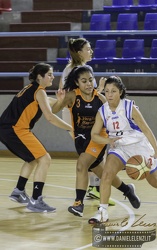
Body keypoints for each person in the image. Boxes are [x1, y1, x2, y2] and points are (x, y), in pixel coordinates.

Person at [88, 76, 157, 224]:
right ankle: (103, 211)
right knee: (106, 174)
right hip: (119, 147)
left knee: (155, 182)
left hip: (139, 146)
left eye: (113, 91)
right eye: (107, 91)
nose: (109, 94)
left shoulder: (129, 107)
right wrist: (108, 140)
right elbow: (94, 135)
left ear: (120, 92)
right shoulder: (102, 111)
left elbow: (146, 129)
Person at [52, 66, 140, 217]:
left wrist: (129, 111)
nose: (88, 84)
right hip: (80, 140)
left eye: (90, 80)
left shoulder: (100, 98)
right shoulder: (72, 96)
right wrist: (60, 102)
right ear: (77, 82)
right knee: (103, 173)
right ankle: (127, 190)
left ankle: (78, 203)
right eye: (84, 81)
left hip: (97, 138)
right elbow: (53, 111)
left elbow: (116, 110)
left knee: (81, 165)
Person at [0, 63, 73, 213]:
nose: (53, 76)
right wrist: (70, 128)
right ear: (40, 77)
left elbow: (54, 106)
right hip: (15, 130)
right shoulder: (39, 92)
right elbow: (50, 117)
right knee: (45, 159)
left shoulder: (33, 90)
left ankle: (19, 191)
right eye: (50, 74)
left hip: (8, 129)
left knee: (32, 159)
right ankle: (36, 200)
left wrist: (61, 100)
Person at [59, 37, 107, 203]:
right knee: (92, 155)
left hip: (75, 118)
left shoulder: (69, 69)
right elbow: (81, 97)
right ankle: (97, 188)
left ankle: (95, 188)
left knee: (90, 156)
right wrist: (100, 89)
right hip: (79, 118)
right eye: (88, 48)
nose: (91, 51)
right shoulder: (80, 71)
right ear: (79, 52)